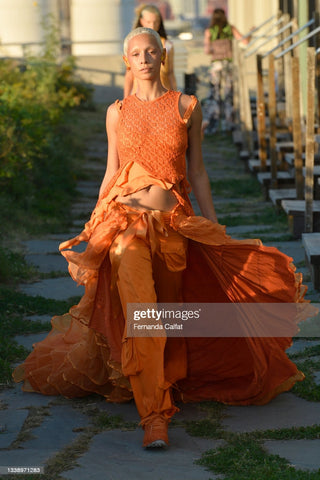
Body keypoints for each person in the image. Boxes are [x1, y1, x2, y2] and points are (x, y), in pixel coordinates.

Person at [14, 27, 311, 450]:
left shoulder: (188, 107)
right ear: (126, 60)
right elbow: (111, 171)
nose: (144, 57)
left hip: (174, 224)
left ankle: (168, 383)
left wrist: (215, 228)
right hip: (126, 224)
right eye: (135, 52)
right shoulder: (116, 112)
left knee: (168, 314)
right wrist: (92, 223)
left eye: (151, 50)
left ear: (162, 55)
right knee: (143, 313)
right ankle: (154, 416)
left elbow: (198, 172)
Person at [202, 8, 250, 134]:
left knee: (214, 95)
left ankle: (213, 125)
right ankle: (229, 124)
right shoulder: (230, 29)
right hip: (228, 64)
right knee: (229, 94)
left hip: (215, 65)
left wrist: (214, 49)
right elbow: (244, 41)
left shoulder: (209, 31)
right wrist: (250, 33)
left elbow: (207, 51)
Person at [123, 4, 177, 97]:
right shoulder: (131, 44)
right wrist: (126, 98)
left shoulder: (167, 45)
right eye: (148, 22)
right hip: (138, 94)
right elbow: (129, 75)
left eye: (152, 52)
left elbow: (170, 73)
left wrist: (175, 96)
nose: (152, 25)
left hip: (163, 94)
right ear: (142, 21)